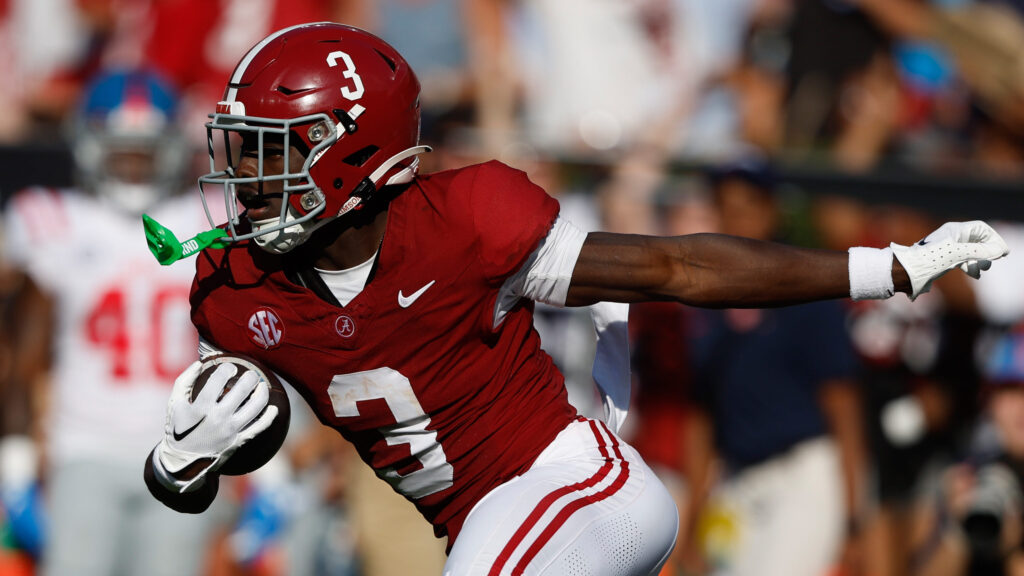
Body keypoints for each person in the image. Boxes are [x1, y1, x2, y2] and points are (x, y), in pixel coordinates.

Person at [140, 22, 1009, 576]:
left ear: (348, 154)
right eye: (241, 147)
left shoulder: (463, 223)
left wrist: (886, 269)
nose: (242, 178)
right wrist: (180, 464)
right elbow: (230, 436)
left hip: (579, 486)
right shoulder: (232, 290)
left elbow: (678, 268)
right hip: (486, 529)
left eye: (267, 150)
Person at [2, 68, 224, 576]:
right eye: (122, 147)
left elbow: (243, 348)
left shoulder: (205, 220)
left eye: (146, 148)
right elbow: (24, 352)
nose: (134, 162)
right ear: (90, 146)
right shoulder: (53, 219)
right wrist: (14, 466)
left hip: (186, 454)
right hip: (84, 449)